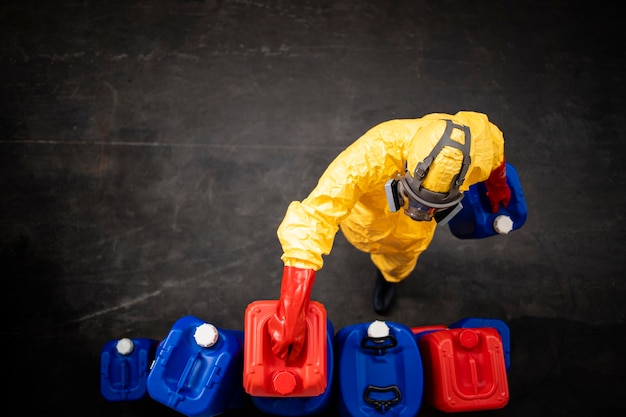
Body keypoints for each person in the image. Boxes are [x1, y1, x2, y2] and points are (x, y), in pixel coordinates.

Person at [267, 111, 512, 362]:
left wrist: (497, 185)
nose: (418, 212)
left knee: (400, 262)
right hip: (367, 224)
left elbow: (496, 147)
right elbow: (312, 219)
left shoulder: (479, 144)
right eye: (415, 200)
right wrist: (292, 311)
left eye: (430, 207)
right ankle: (388, 272)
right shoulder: (374, 153)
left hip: (411, 237)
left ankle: (389, 277)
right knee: (374, 243)